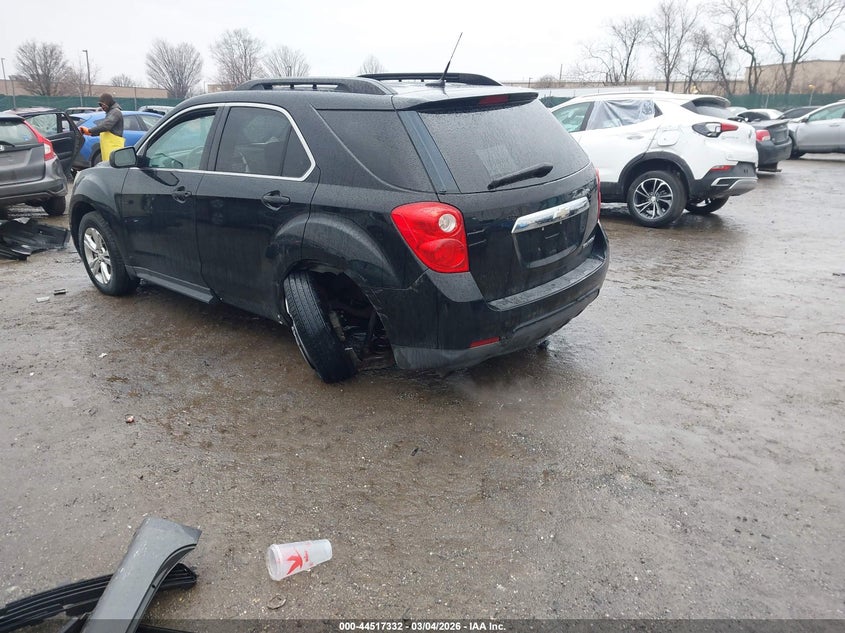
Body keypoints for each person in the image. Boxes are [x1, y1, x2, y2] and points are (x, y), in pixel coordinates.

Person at [79, 93, 125, 163]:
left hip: (113, 148)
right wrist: (89, 133)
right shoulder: (111, 112)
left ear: (108, 102)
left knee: (113, 170)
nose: (102, 107)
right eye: (100, 105)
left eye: (102, 104)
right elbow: (105, 129)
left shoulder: (115, 112)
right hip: (110, 149)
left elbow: (106, 126)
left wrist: (89, 130)